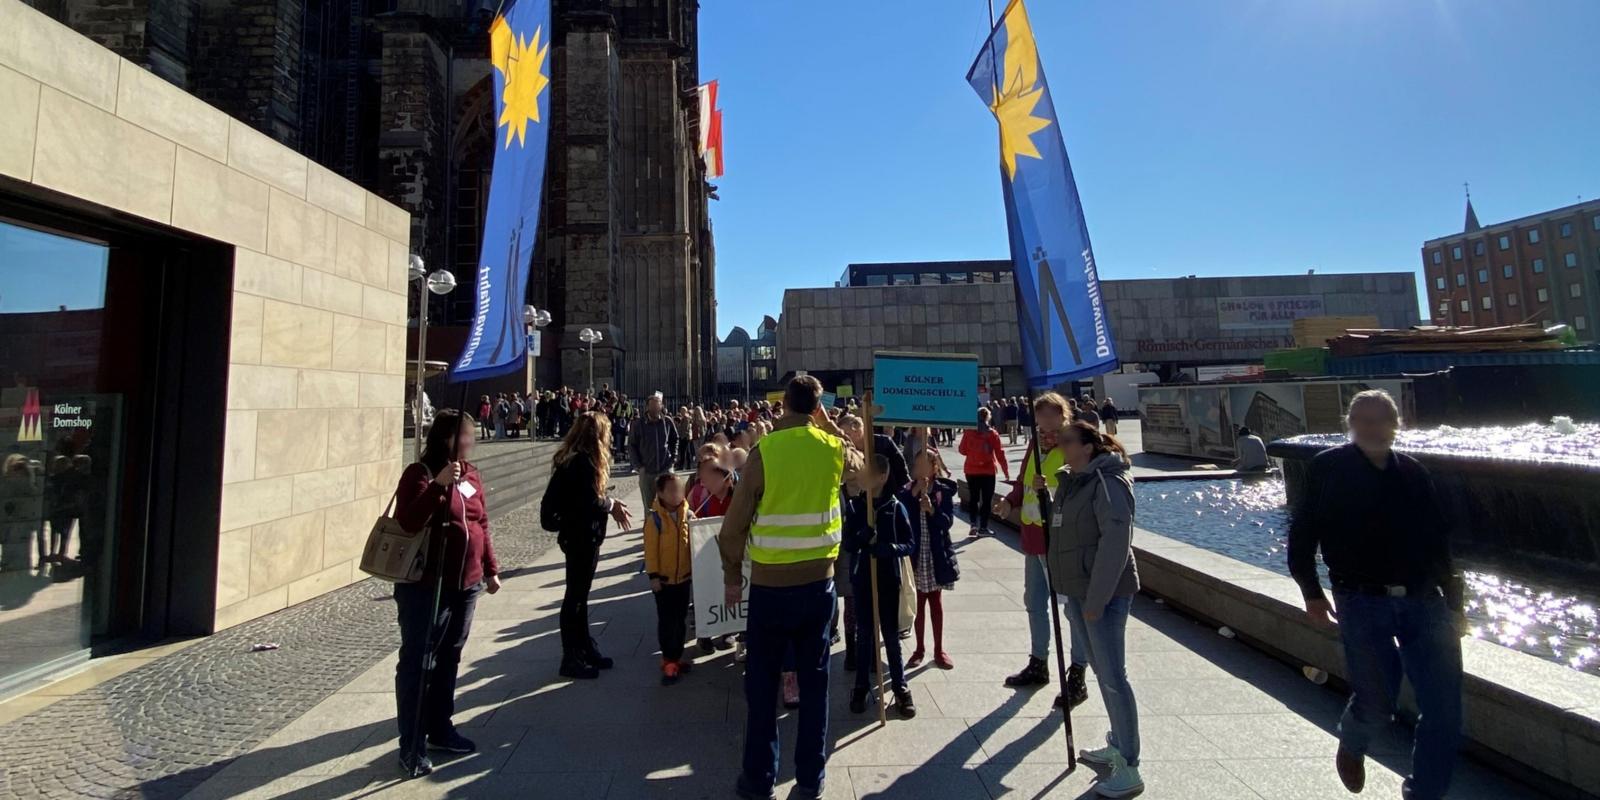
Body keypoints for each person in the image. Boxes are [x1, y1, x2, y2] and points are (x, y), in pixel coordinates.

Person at [1288, 390, 1463, 800]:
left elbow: (1440, 542)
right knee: (1377, 700)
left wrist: (1455, 603)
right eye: (1363, 419)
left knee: (1444, 710)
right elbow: (1302, 533)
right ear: (1350, 423)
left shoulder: (1414, 472)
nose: (1372, 427)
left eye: (1381, 419)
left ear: (1395, 425)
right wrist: (1311, 591)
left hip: (1425, 601)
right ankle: (1353, 740)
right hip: (1361, 600)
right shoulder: (1327, 468)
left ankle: (1424, 793)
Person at [719, 376, 863, 800]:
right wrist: (831, 427)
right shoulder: (833, 449)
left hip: (770, 587)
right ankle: (809, 779)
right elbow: (866, 467)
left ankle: (758, 779)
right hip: (819, 585)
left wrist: (731, 576)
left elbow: (733, 528)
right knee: (815, 683)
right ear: (817, 407)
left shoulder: (766, 452)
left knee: (762, 686)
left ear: (784, 406)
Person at [390, 409, 501, 778]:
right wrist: (438, 485)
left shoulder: (471, 474)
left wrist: (490, 569)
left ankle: (440, 728)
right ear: (446, 439)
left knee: (450, 657)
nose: (472, 441)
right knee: (420, 662)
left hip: (465, 584)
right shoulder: (419, 475)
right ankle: (411, 744)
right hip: (427, 586)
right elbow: (408, 520)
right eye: (466, 435)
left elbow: (479, 522)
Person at [1048, 421, 1143, 798]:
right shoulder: (1075, 479)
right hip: (1079, 591)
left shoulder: (1108, 482)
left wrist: (1097, 598)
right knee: (1104, 674)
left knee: (1113, 676)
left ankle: (1130, 766)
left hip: (1101, 595)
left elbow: (1116, 541)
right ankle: (1118, 744)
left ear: (1089, 447)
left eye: (1067, 440)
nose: (1060, 444)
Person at [996, 392, 1089, 709]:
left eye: (1051, 416)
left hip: (1060, 541)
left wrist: (1048, 488)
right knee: (1034, 602)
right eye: (1041, 417)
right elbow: (1023, 484)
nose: (1045, 423)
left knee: (1070, 609)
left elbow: (1080, 489)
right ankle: (1039, 661)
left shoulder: (1071, 445)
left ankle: (1077, 673)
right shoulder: (1036, 445)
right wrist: (1009, 502)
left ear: (1063, 415)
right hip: (1033, 538)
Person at [548, 412, 633, 679]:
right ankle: (571, 655)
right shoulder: (582, 462)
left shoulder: (575, 458)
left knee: (580, 595)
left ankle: (584, 646)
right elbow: (588, 499)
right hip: (580, 535)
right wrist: (610, 504)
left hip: (580, 535)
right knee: (575, 596)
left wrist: (607, 502)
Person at [843, 454, 916, 718]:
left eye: (868, 472)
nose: (862, 476)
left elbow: (909, 543)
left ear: (882, 477)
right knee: (865, 635)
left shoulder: (895, 507)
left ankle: (900, 687)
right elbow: (848, 543)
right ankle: (861, 686)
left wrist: (887, 548)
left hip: (887, 577)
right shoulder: (855, 507)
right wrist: (863, 536)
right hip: (863, 577)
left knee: (891, 636)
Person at [904, 448, 959, 670]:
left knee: (935, 602)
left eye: (924, 465)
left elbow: (947, 522)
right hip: (915, 555)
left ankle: (939, 649)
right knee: (918, 603)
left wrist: (933, 510)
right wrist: (915, 493)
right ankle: (919, 648)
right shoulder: (908, 490)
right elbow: (903, 514)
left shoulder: (941, 492)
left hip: (935, 554)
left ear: (934, 467)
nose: (919, 469)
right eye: (916, 465)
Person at [644, 472, 696, 685]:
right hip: (664, 581)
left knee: (680, 619)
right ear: (661, 494)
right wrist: (653, 576)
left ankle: (676, 656)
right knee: (667, 621)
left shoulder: (687, 513)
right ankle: (668, 660)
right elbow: (651, 551)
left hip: (683, 578)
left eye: (680, 489)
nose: (678, 494)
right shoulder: (655, 519)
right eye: (673, 490)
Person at [959, 407, 1010, 538]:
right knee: (986, 500)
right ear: (988, 417)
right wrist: (1005, 471)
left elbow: (962, 450)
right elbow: (1000, 453)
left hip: (971, 470)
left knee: (973, 498)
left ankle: (973, 525)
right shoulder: (992, 433)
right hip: (988, 471)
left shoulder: (968, 432)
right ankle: (983, 527)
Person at [630, 392, 680, 510]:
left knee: (669, 504)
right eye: (652, 406)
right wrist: (638, 465)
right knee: (649, 507)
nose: (655, 408)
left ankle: (669, 528)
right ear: (647, 407)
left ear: (661, 406)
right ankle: (650, 528)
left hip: (665, 468)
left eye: (658, 405)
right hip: (647, 470)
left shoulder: (667, 422)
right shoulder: (638, 424)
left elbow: (675, 438)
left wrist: (673, 457)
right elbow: (632, 445)